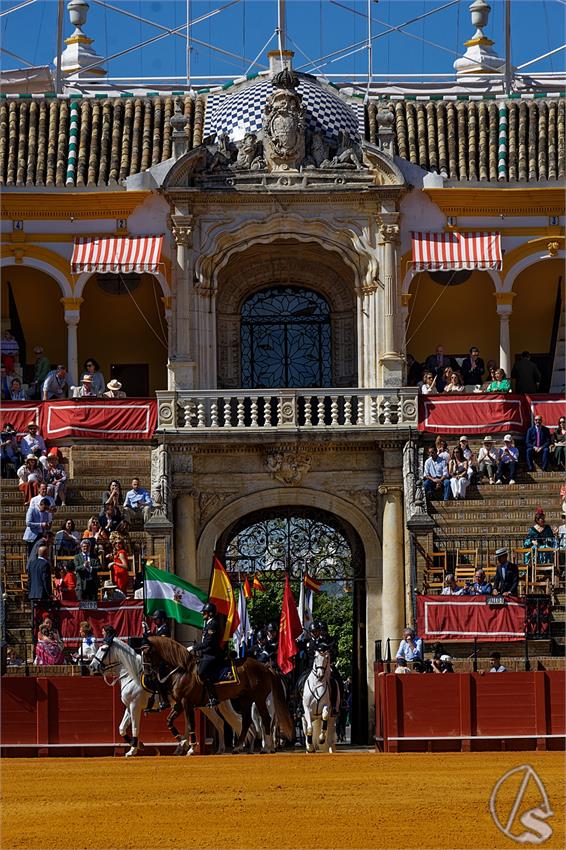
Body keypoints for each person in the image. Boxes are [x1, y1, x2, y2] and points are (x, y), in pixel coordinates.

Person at [191, 602, 225, 707]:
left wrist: (193, 648)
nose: (202, 614)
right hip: (206, 653)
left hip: (212, 654)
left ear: (210, 613)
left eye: (204, 612)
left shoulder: (213, 624)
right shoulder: (208, 624)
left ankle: (213, 697)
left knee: (202, 672)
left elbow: (208, 643)